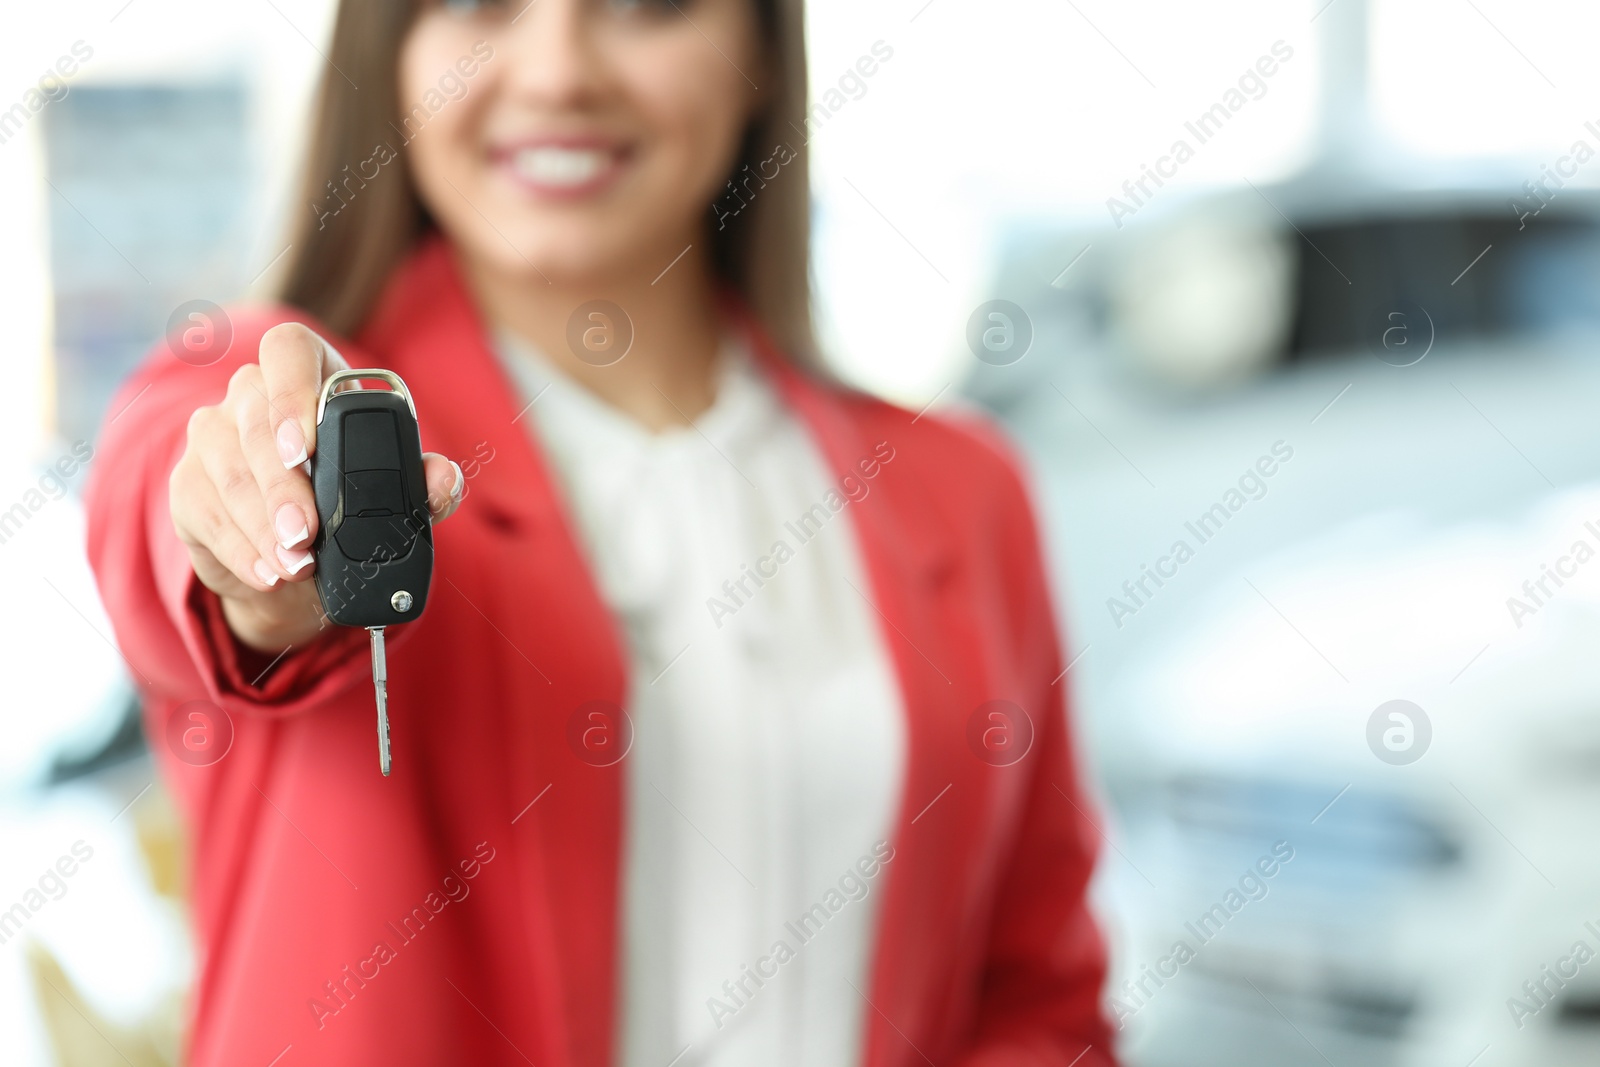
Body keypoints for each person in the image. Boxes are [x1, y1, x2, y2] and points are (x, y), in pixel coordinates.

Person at [86, 0, 1114, 1064]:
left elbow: (1038, 992)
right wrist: (257, 553)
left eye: (646, 6)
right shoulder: (264, 392)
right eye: (482, 4)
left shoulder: (965, 491)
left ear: (760, 54)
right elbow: (167, 517)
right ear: (388, 53)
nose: (557, 73)